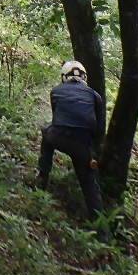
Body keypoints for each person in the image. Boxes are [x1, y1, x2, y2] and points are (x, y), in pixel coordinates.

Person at [37, 59, 105, 218]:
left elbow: (57, 118)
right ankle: (101, 228)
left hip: (59, 136)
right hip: (82, 144)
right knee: (89, 184)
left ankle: (42, 178)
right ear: (85, 77)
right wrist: (93, 153)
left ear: (63, 77)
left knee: (47, 134)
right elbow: (99, 129)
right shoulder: (95, 96)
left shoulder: (56, 91)